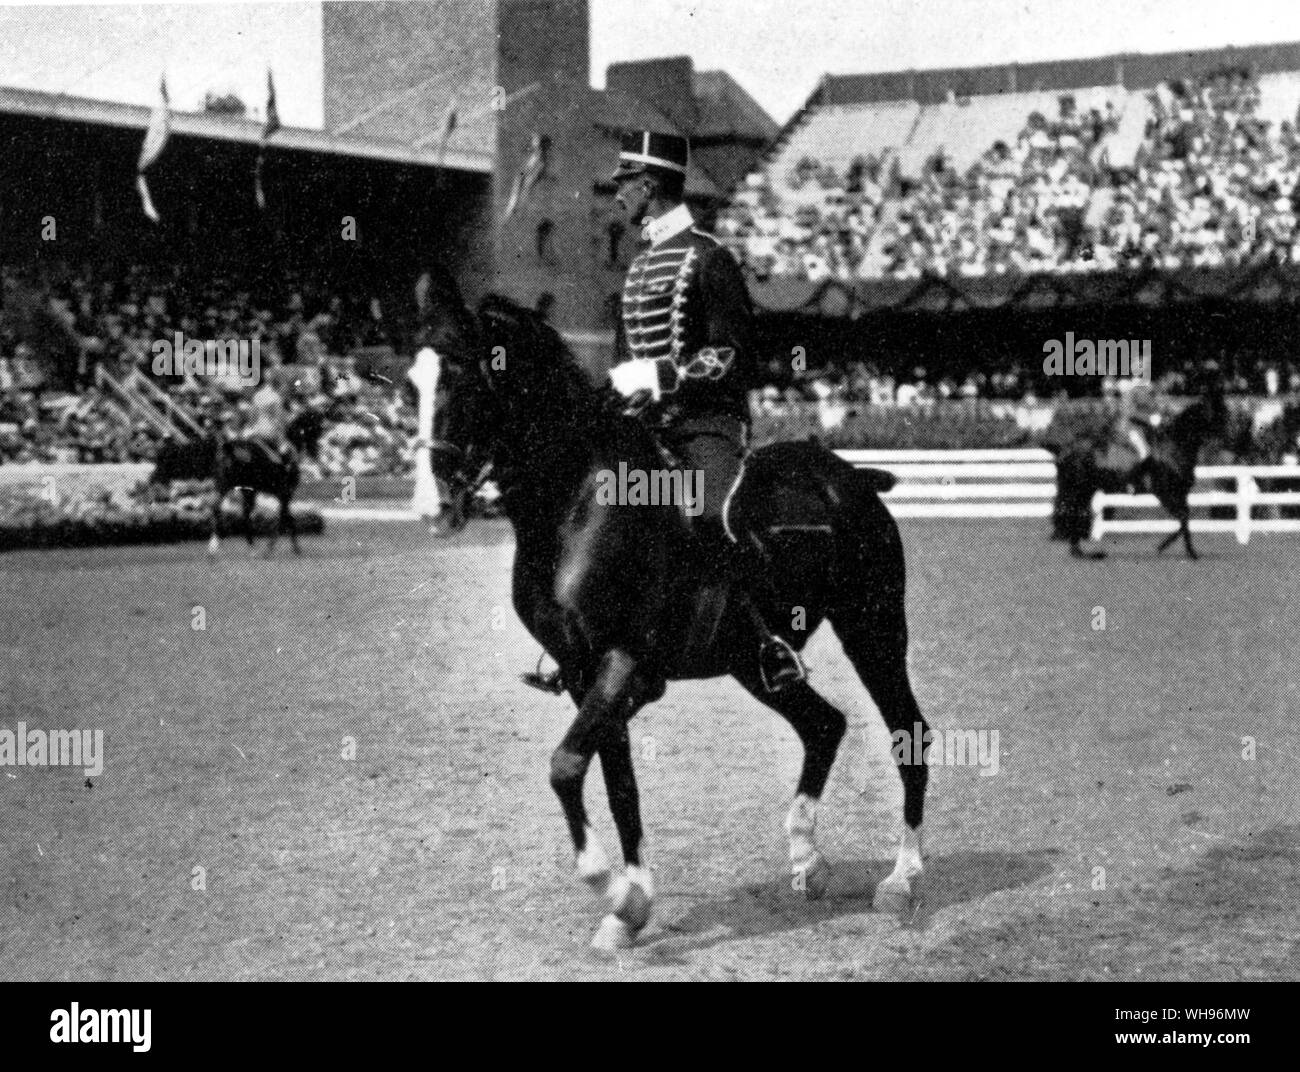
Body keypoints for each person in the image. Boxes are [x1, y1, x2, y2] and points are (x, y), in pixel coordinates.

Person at [605, 130, 804, 691]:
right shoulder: (640, 266)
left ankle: (769, 641)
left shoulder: (708, 259)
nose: (617, 193)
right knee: (601, 507)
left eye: (624, 183)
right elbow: (628, 359)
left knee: (712, 511)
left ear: (649, 185)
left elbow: (732, 353)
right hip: (650, 428)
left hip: (706, 426)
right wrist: (620, 386)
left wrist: (662, 375)